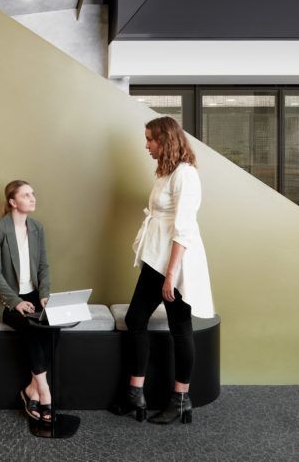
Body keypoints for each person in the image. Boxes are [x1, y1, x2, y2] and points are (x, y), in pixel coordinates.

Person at [112, 116, 214, 426]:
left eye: (151, 140)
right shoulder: (166, 172)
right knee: (136, 319)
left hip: (175, 262)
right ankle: (135, 393)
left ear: (166, 140)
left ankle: (181, 398)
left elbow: (183, 228)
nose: (146, 145)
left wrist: (171, 274)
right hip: (157, 258)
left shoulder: (186, 175)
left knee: (179, 326)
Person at [0, 180, 53, 424]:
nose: (32, 198)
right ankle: (45, 392)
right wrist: (15, 301)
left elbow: (43, 266)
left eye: (33, 193)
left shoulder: (37, 227)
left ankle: (31, 389)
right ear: (12, 202)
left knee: (51, 327)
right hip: (3, 296)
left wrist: (45, 294)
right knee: (30, 327)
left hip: (32, 294)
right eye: (26, 195)